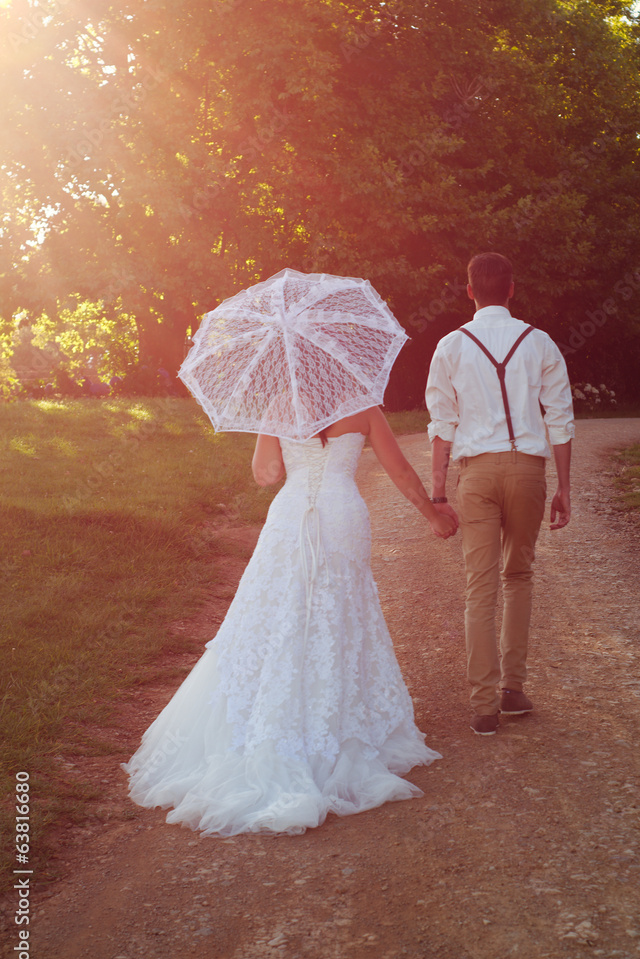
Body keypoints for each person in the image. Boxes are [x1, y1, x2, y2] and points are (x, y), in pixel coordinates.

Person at [123, 406, 456, 835]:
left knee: (274, 613)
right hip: (341, 515)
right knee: (339, 619)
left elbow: (266, 475)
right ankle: (336, 727)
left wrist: (269, 423)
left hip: (290, 516)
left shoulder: (281, 406)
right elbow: (401, 470)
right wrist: (433, 515)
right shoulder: (363, 407)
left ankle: (270, 725)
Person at [425, 252, 575, 736]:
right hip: (528, 470)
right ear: (511, 289)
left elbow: (442, 425)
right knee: (519, 575)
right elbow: (560, 419)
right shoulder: (540, 342)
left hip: (476, 473)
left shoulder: (450, 345)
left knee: (479, 584)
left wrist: (438, 492)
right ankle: (513, 689)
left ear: (469, 291)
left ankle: (483, 706)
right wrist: (565, 487)